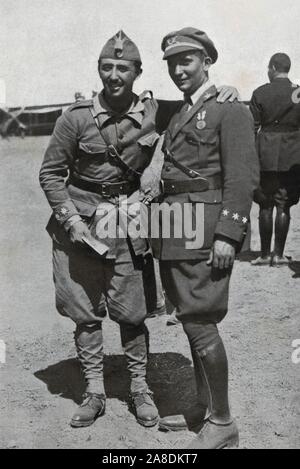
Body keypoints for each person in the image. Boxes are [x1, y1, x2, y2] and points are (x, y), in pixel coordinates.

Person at [40, 30, 239, 430]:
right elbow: (50, 174)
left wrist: (229, 90)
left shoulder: (155, 111)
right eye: (107, 67)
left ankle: (140, 389)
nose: (114, 75)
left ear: (138, 72)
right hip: (80, 228)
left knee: (132, 315)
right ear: (99, 70)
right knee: (86, 313)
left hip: (128, 227)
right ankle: (94, 391)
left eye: (123, 68)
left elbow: (196, 103)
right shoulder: (74, 118)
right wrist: (72, 221)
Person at [150, 27, 259, 449]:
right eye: (172, 63)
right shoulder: (179, 113)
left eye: (187, 61)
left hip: (206, 230)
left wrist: (229, 234)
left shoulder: (229, 109)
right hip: (178, 229)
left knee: (200, 320)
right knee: (190, 317)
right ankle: (202, 405)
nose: (179, 70)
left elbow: (242, 176)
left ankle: (224, 420)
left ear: (207, 62)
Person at [250, 53, 300, 266]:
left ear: (272, 68)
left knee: (265, 204)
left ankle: (263, 255)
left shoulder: (260, 92)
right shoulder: (298, 93)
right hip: (292, 153)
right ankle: (278, 256)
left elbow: (252, 126)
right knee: (284, 204)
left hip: (266, 153)